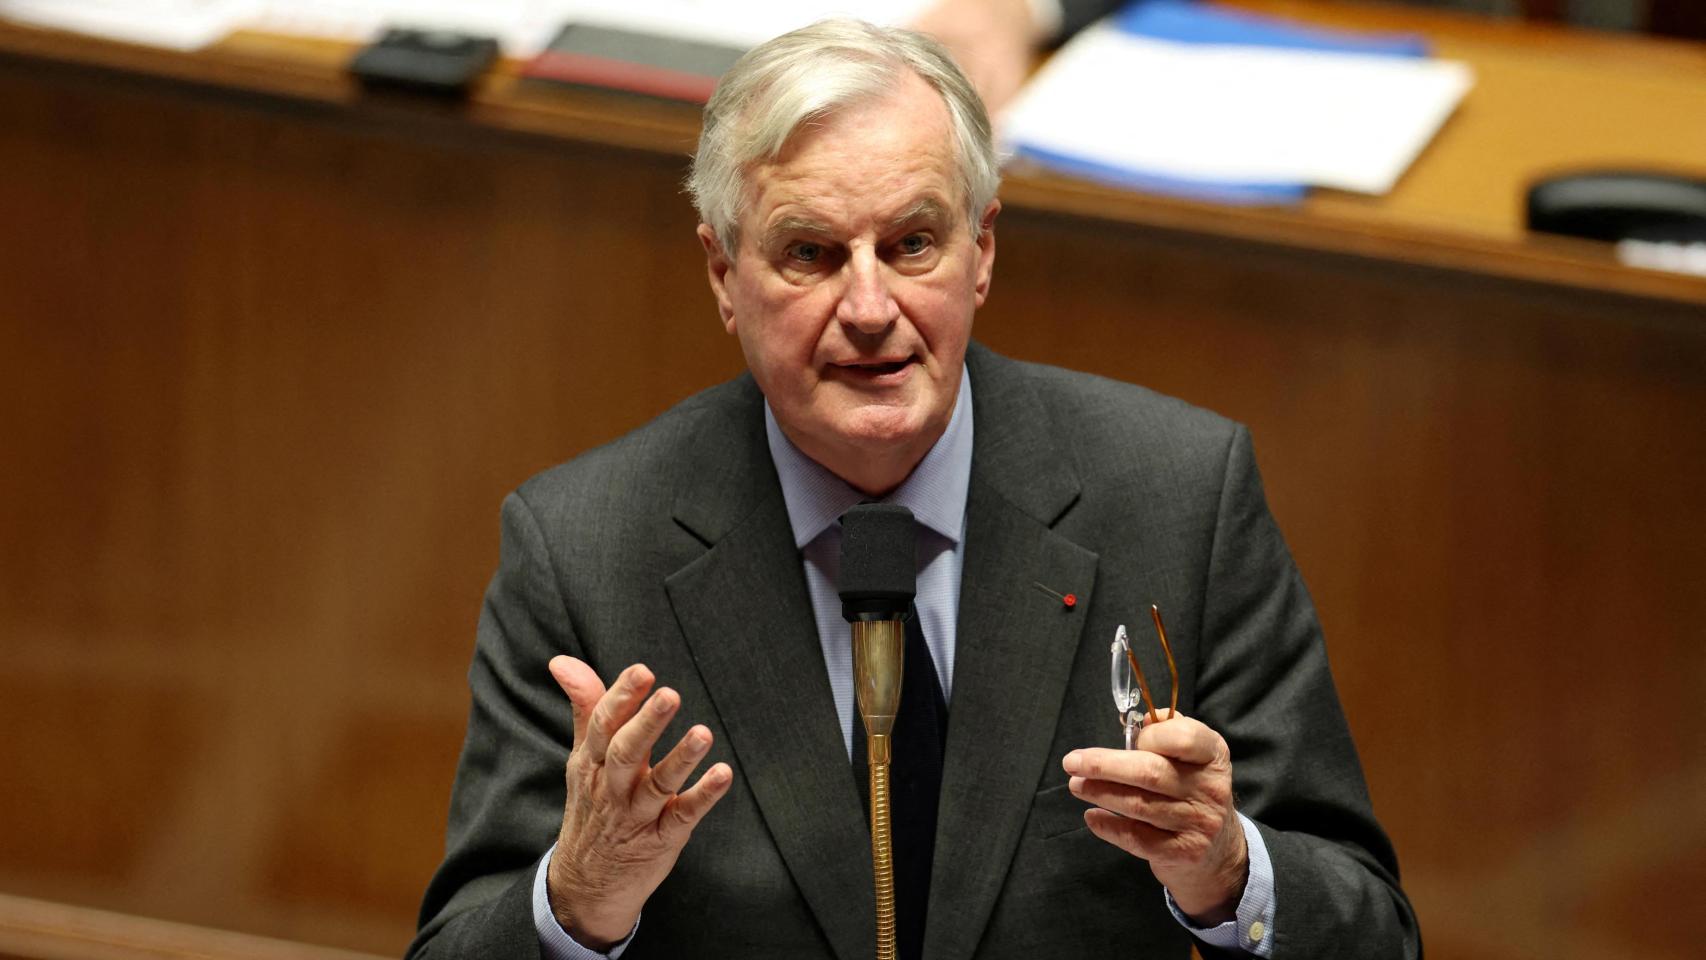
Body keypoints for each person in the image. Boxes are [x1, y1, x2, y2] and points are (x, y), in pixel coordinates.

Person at [409, 19, 1418, 960]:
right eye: (808, 253)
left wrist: (1225, 870)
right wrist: (579, 899)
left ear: (980, 251)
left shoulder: (1178, 498)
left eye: (910, 245)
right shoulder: (582, 550)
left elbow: (1374, 929)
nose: (867, 307)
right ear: (722, 275)